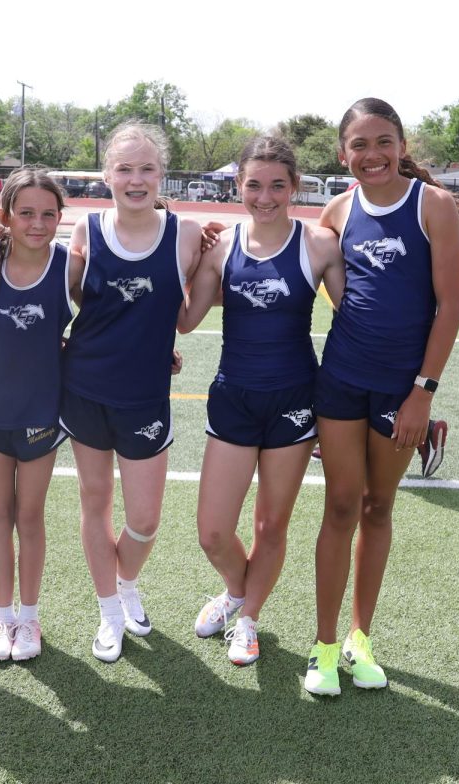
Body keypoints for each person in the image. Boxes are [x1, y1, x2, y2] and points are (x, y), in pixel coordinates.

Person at [305, 98, 459, 696]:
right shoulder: (338, 208)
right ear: (343, 153)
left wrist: (422, 393)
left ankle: (359, 639)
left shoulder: (434, 205)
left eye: (383, 142)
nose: (372, 155)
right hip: (341, 380)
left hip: (403, 390)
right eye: (359, 145)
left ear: (400, 145)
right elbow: (321, 274)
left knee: (377, 507)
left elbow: (450, 307)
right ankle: (322, 650)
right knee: (340, 507)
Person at [179, 136, 344, 666]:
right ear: (238, 186)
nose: (265, 195)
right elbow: (184, 319)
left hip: (295, 400)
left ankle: (248, 618)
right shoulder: (222, 247)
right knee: (212, 532)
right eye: (254, 184)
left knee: (271, 525)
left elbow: (357, 320)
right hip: (233, 398)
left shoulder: (319, 245)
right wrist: (178, 251)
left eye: (277, 184)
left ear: (295, 186)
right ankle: (235, 590)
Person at [60, 121, 205, 663]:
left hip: (145, 397)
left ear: (162, 174)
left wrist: (157, 343)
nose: (136, 179)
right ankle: (108, 609)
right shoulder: (85, 232)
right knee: (95, 505)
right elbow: (69, 305)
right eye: (124, 169)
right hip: (85, 389)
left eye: (147, 169)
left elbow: (186, 314)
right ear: (107, 175)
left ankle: (126, 583)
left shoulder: (187, 236)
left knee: (143, 519)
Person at [0, 168, 83, 662]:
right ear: (6, 215)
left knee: (29, 515)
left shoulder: (69, 265)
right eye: (26, 213)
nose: (38, 223)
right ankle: (2, 617)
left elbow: (100, 322)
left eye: (49, 214)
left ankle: (29, 618)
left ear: (60, 218)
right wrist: (3, 324)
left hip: (42, 409)